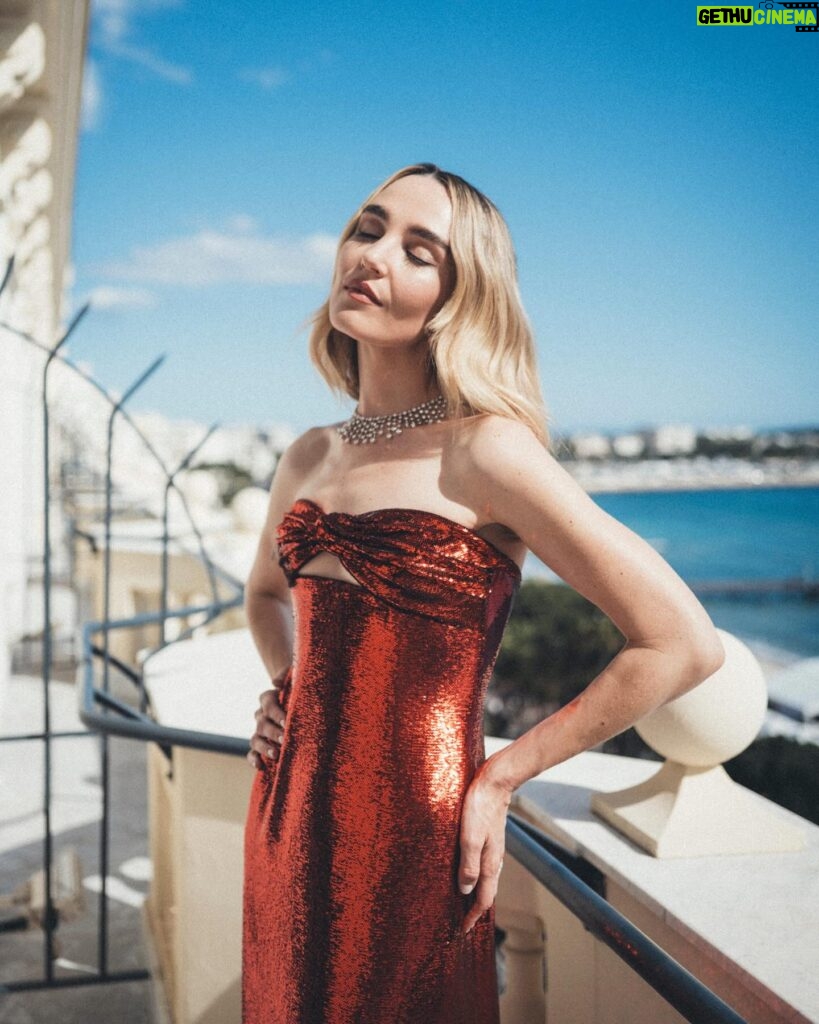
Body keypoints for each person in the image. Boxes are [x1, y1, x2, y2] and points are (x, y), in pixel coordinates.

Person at [241, 162, 724, 1024]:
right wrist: (287, 687)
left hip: (417, 840)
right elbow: (264, 595)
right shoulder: (307, 455)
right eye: (368, 227)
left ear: (457, 298)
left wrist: (502, 776)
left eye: (417, 250)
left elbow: (680, 641)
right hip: (285, 809)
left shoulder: (485, 452)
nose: (374, 255)